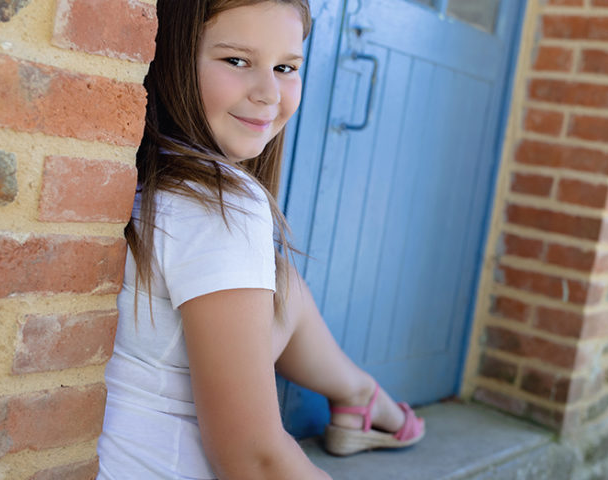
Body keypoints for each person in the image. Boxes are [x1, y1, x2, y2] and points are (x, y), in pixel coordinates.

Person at [96, 1, 425, 478]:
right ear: (174, 60)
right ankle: (363, 399)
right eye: (236, 61)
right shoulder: (218, 206)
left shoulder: (144, 174)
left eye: (286, 67)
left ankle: (359, 397)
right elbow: (254, 457)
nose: (269, 93)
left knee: (278, 280)